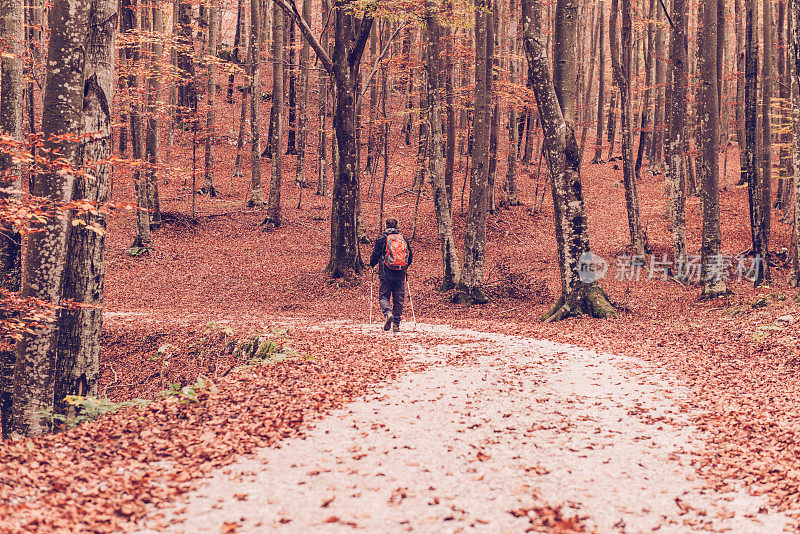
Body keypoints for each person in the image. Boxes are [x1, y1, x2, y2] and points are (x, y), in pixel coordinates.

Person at [369, 217, 413, 332]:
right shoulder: (403, 238)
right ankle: (396, 325)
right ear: (397, 226)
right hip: (400, 272)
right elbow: (410, 256)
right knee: (399, 298)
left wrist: (372, 264)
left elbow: (375, 254)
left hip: (386, 273)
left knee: (384, 296)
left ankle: (388, 313)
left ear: (386, 226)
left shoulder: (382, 238)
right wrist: (404, 267)